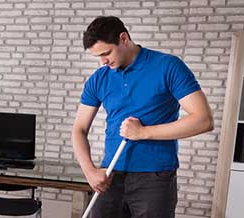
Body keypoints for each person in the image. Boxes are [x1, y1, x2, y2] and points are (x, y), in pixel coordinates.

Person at [72, 16, 214, 218]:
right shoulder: (99, 78)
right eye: (98, 57)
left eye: (106, 53)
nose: (103, 61)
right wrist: (90, 171)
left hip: (154, 179)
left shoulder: (168, 67)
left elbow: (203, 120)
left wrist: (143, 132)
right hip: (110, 175)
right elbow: (79, 130)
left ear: (124, 38)